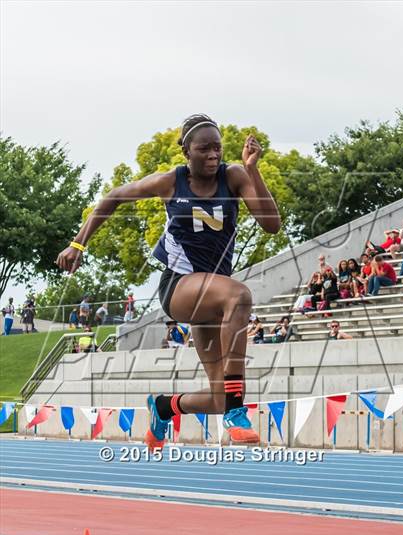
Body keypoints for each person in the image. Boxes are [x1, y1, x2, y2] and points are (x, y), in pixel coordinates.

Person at [55, 113, 281, 448]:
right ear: (186, 152)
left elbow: (272, 224)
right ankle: (237, 411)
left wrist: (253, 170)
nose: (213, 156)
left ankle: (164, 407)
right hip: (180, 287)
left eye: (217, 148)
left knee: (219, 395)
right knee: (240, 296)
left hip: (212, 298)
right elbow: (114, 196)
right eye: (204, 149)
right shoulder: (170, 182)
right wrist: (77, 243)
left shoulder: (233, 175)